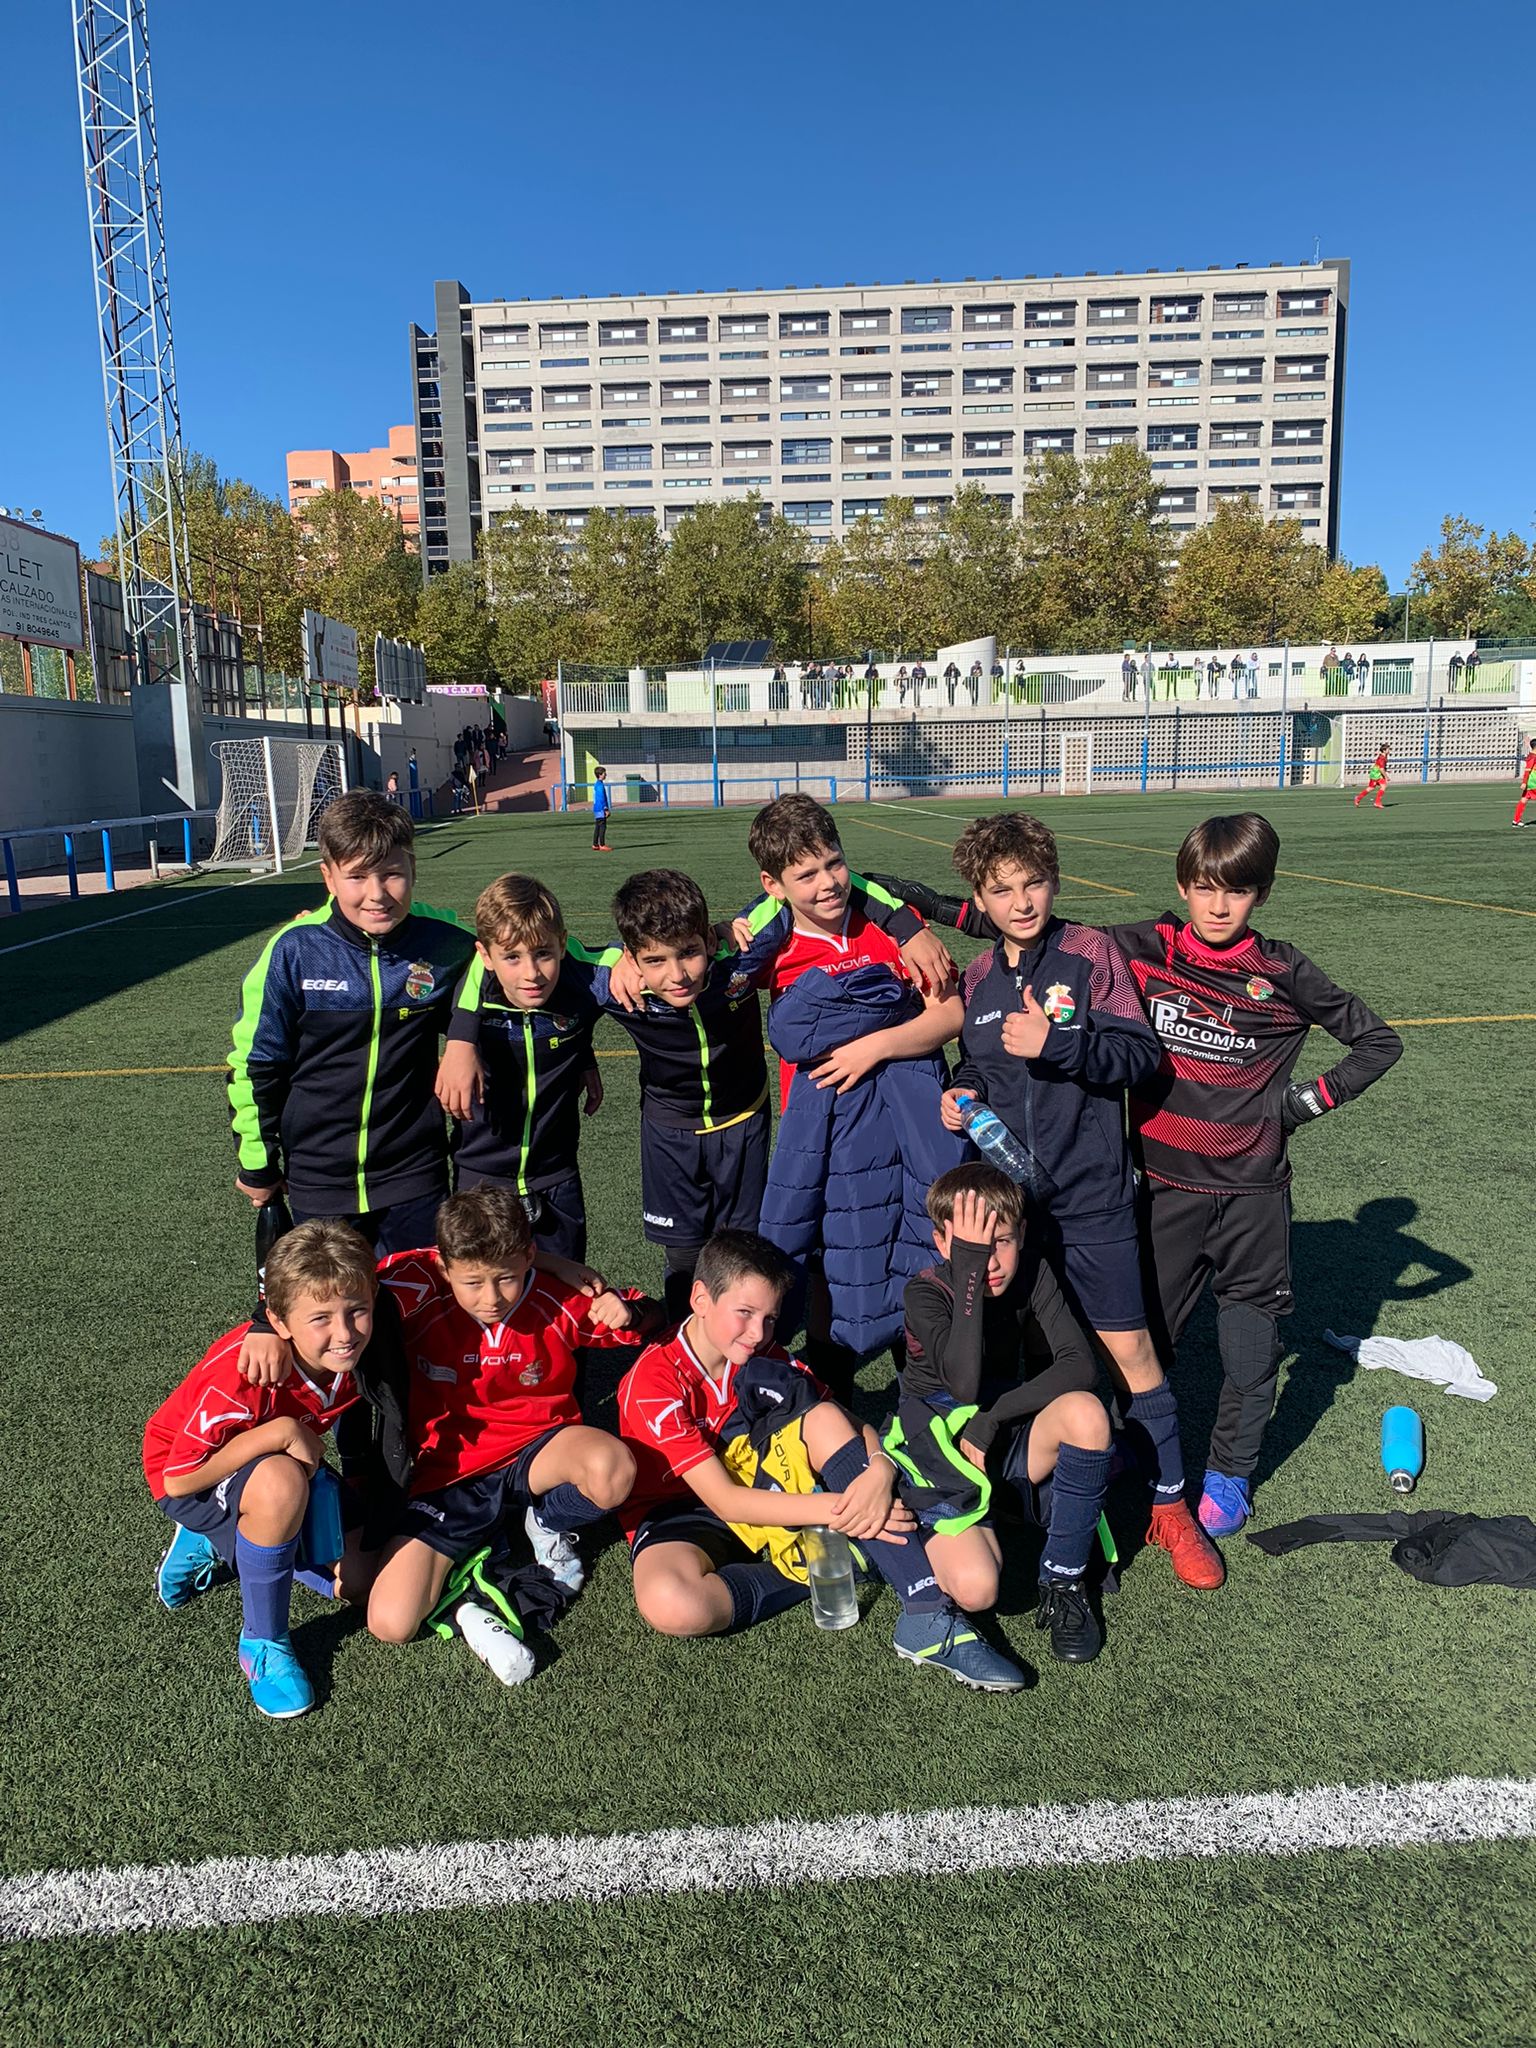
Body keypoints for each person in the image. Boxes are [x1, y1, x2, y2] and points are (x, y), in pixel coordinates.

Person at [940, 812, 1224, 1588]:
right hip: (1011, 1212)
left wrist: (1058, 1044)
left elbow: (1139, 1055)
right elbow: (978, 1065)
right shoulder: (978, 977)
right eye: (1002, 890)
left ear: (1054, 881)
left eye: (1034, 883)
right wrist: (961, 1092)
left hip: (1091, 1199)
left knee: (1130, 1352)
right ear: (980, 899)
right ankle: (1051, 1504)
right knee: (1031, 1355)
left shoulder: (1090, 953)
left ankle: (1171, 1506)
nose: (1021, 901)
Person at [1107, 815, 1403, 1534]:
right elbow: (1036, 931)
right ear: (1183, 886)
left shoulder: (1283, 970)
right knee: (1145, 1339)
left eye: (1236, 892)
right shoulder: (1142, 947)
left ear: (1261, 894)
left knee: (1249, 1351)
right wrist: (905, 909)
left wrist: (1303, 1103)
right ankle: (1127, 1450)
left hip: (1252, 1199)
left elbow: (1377, 1042)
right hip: (1164, 1188)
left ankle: (1230, 1476)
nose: (1218, 906)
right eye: (1205, 889)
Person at [618, 1229, 1029, 1690]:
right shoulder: (654, 1382)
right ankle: (842, 1557)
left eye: (770, 1319)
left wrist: (880, 1469)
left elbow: (850, 1422)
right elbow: (726, 1501)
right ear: (700, 1298)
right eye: (745, 1313)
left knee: (822, 1416)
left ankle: (926, 1612)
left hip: (762, 1487)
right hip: (683, 1509)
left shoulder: (764, 1355)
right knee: (671, 1603)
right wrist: (849, 1510)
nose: (758, 1333)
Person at [366, 1189, 658, 1686]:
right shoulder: (420, 1290)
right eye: (473, 1282)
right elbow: (347, 1283)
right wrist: (548, 1258)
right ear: (444, 1269)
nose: (492, 1297)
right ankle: (469, 1601)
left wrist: (626, 1311)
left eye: (506, 1277)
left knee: (612, 1469)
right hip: (451, 1476)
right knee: (390, 1623)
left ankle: (545, 1520)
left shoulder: (555, 1297)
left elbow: (647, 1317)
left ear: (526, 1258)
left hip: (538, 1453)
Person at [746, 794, 966, 1394]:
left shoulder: (891, 929)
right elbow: (693, 961)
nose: (828, 884)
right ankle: (831, 1400)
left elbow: (950, 1014)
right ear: (773, 885)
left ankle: (923, 1394)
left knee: (915, 1250)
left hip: (908, 1128)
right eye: (806, 875)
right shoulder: (771, 946)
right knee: (830, 1267)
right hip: (826, 1140)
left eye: (835, 864)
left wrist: (875, 1047)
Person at [227, 791, 478, 1255]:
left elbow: (519, 953)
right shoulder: (294, 950)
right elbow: (256, 1065)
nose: (376, 894)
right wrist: (259, 1164)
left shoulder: (445, 943)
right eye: (357, 876)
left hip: (415, 1177)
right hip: (319, 1181)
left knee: (417, 1297)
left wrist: (464, 1039)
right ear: (328, 877)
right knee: (334, 1301)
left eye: (392, 874)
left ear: (413, 869)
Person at [144, 1220, 377, 1718]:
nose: (345, 1333)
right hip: (194, 1474)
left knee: (363, 1584)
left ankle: (235, 1543)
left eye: (357, 1310)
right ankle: (263, 1642)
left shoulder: (360, 1347)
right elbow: (177, 1479)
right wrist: (281, 1431)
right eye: (321, 1318)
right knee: (279, 1484)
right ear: (279, 1321)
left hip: (283, 1460)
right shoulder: (244, 1372)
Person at [901, 1167, 1113, 1663]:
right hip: (936, 1444)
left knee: (1087, 1414)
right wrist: (968, 1272)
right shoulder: (924, 1293)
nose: (991, 1261)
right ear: (941, 1242)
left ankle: (1063, 1581)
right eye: (972, 1247)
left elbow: (1080, 1366)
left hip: (996, 1427)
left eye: (1002, 1242)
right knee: (978, 1589)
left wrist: (992, 1418)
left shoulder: (1033, 1271)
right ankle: (913, 1527)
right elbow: (962, 1384)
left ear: (1021, 1235)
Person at [445, 875, 603, 1262]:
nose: (531, 973)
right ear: (486, 957)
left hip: (556, 1176)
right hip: (479, 1178)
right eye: (512, 957)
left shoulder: (580, 984)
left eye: (543, 953)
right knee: (485, 1287)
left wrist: (583, 1054)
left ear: (562, 944)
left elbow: (634, 956)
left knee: (564, 1288)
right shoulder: (465, 995)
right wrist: (460, 1037)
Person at [1512, 737, 1536, 825]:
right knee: (1523, 800)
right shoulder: (1533, 757)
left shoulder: (1531, 755)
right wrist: (1524, 783)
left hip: (1531, 783)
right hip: (1533, 783)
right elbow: (1527, 771)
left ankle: (1516, 820)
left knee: (1524, 800)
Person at [591, 764, 612, 851]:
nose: (605, 775)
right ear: (600, 775)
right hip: (600, 808)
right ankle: (602, 845)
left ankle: (595, 844)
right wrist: (605, 809)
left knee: (598, 826)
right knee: (602, 826)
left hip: (597, 808)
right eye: (604, 773)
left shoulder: (597, 784)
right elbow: (601, 798)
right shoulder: (600, 785)